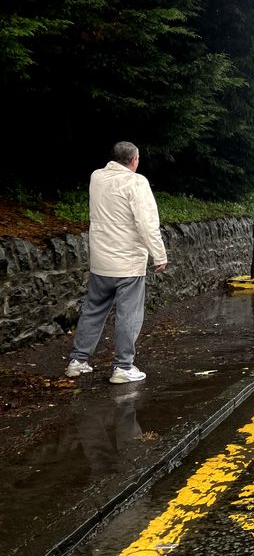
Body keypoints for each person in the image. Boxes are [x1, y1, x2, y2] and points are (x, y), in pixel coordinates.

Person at [65, 142, 168, 383]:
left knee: (93, 310)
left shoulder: (97, 177)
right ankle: (123, 366)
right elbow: (146, 223)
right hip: (128, 262)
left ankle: (78, 361)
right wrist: (159, 254)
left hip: (101, 259)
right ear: (134, 160)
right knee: (128, 314)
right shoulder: (137, 182)